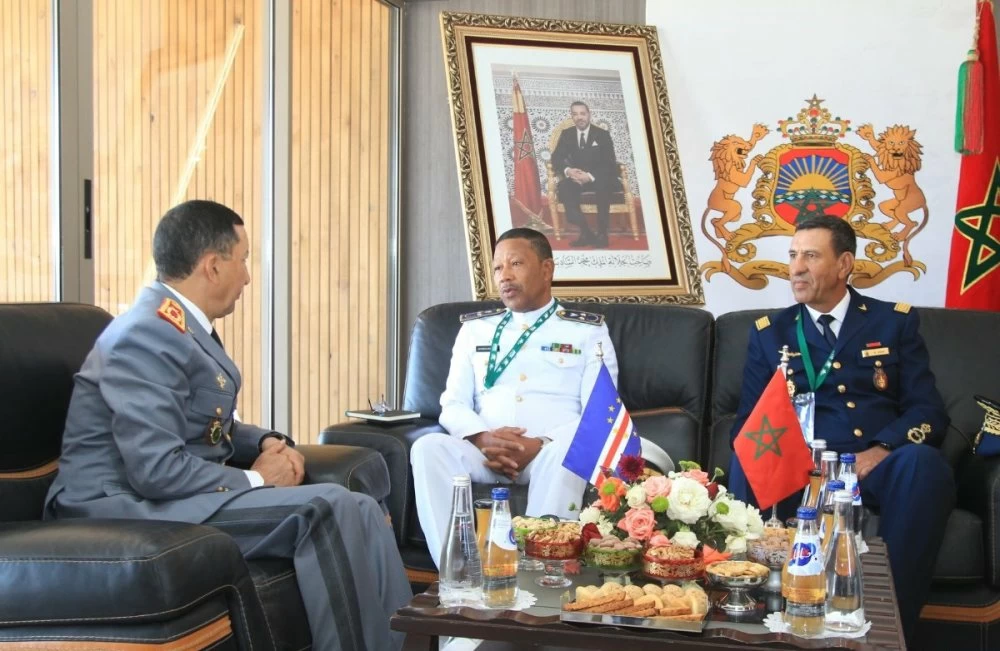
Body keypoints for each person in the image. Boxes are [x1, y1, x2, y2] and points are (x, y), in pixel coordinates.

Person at [44, 200, 411, 651]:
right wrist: (257, 478)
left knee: (362, 507)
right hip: (119, 505)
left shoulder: (177, 328)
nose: (248, 277)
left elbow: (201, 422)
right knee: (328, 508)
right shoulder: (145, 334)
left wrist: (267, 440)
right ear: (213, 266)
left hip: (167, 496)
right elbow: (156, 469)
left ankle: (406, 643)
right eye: (244, 260)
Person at [727, 214, 955, 639]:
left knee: (923, 465)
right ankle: (750, 616)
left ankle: (890, 626)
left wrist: (882, 449)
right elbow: (749, 422)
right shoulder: (768, 332)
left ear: (844, 263)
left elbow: (929, 412)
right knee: (745, 452)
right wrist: (783, 454)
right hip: (797, 468)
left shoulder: (893, 322)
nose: (795, 268)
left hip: (869, 465)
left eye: (811, 256)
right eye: (793, 256)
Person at [411, 228, 618, 568]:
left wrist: (541, 442)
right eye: (497, 268)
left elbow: (601, 411)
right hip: (485, 453)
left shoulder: (586, 331)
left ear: (547, 269)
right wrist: (482, 438)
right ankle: (456, 571)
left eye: (516, 264)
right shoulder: (474, 330)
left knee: (568, 452)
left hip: (547, 452)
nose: (504, 275)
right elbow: (453, 403)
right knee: (428, 448)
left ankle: (540, 572)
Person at [550, 101, 621, 248]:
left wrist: (589, 176)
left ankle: (602, 233)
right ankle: (585, 232)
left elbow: (609, 162)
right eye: (575, 114)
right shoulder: (567, 134)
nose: (579, 117)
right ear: (572, 116)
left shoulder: (602, 134)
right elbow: (556, 158)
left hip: (599, 177)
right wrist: (568, 171)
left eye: (582, 113)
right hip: (576, 177)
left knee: (603, 185)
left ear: (589, 115)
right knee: (564, 187)